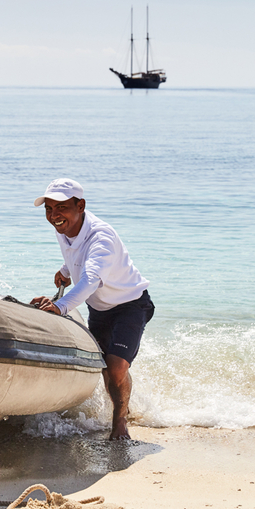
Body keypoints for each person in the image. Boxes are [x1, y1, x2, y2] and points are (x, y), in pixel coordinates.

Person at [31, 178, 154, 440]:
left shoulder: (102, 237)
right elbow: (76, 255)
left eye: (61, 207)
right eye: (49, 209)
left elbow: (91, 279)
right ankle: (123, 406)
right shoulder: (63, 228)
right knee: (104, 367)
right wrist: (65, 270)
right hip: (99, 308)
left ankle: (120, 422)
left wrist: (61, 306)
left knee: (116, 366)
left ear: (81, 206)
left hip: (130, 304)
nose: (54, 215)